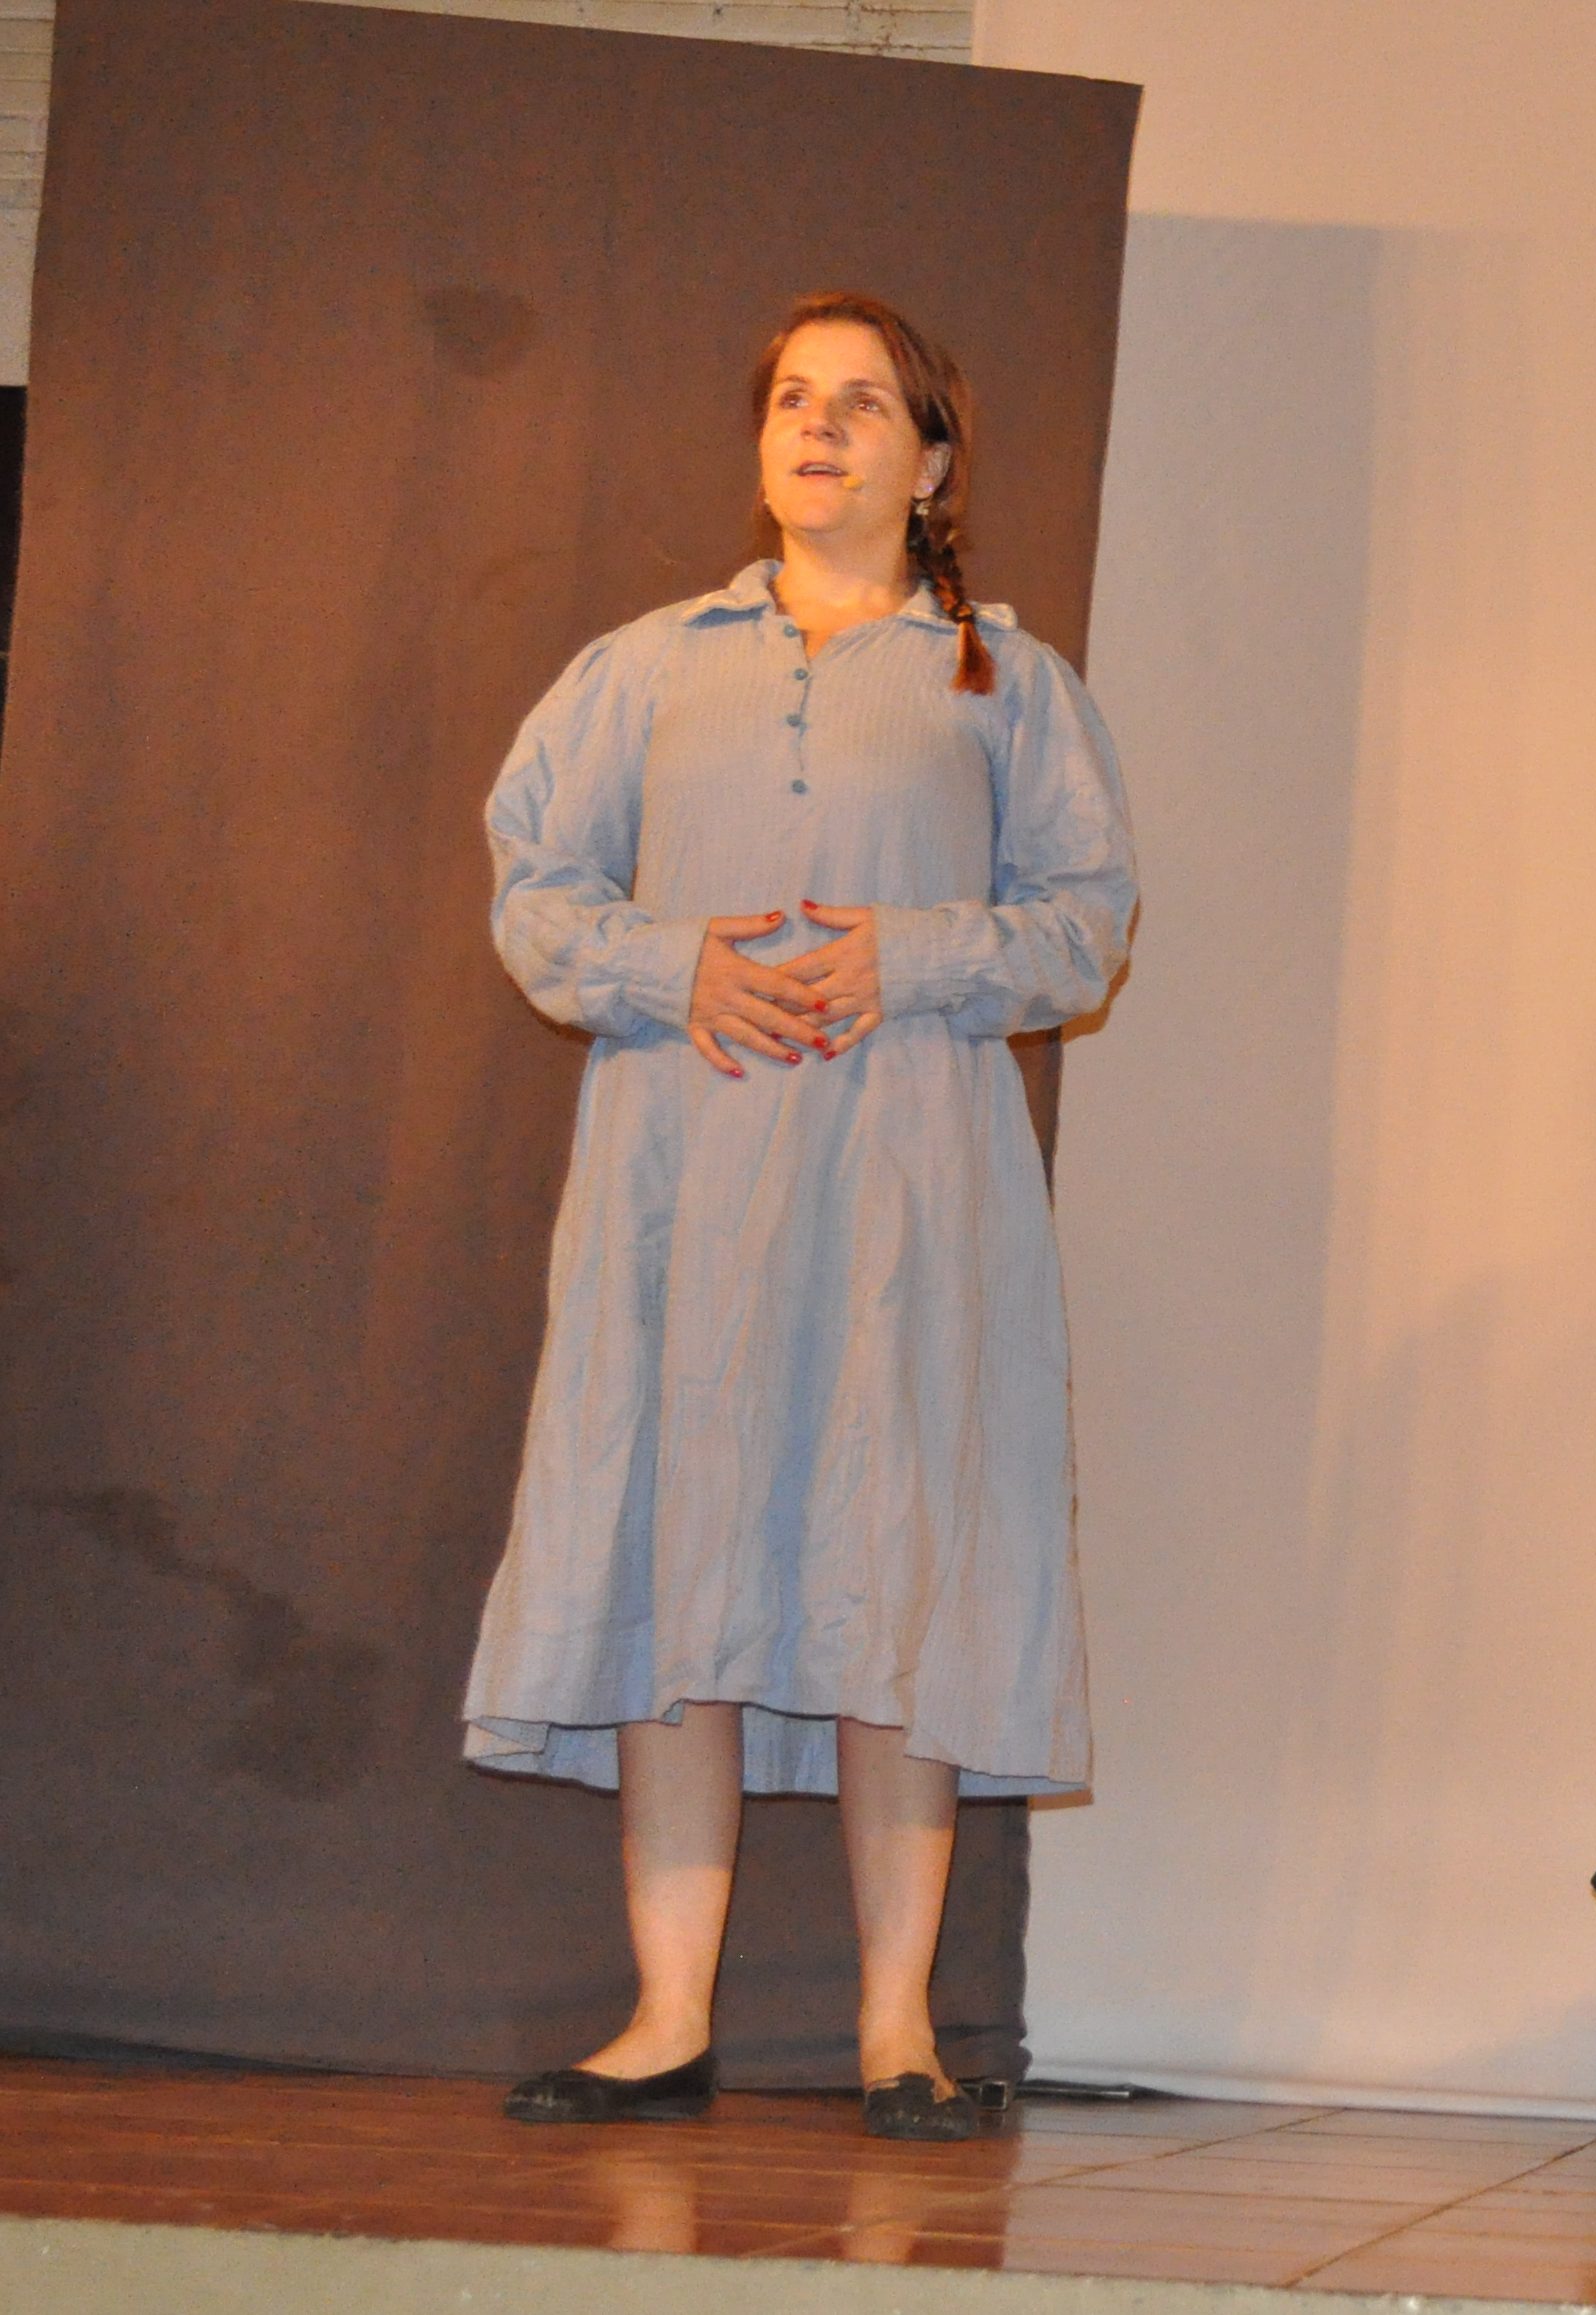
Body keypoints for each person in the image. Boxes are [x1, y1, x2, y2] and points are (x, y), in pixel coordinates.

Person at [461, 291, 1135, 2143]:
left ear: (932, 462)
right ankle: (666, 2017)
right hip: (683, 1184)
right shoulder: (643, 668)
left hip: (910, 1186)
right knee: (673, 1545)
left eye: (861, 403)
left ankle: (897, 2027)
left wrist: (907, 957)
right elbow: (535, 889)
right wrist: (674, 967)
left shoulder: (1006, 682)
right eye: (789, 398)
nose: (817, 427)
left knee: (892, 1564)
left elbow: (1084, 924)